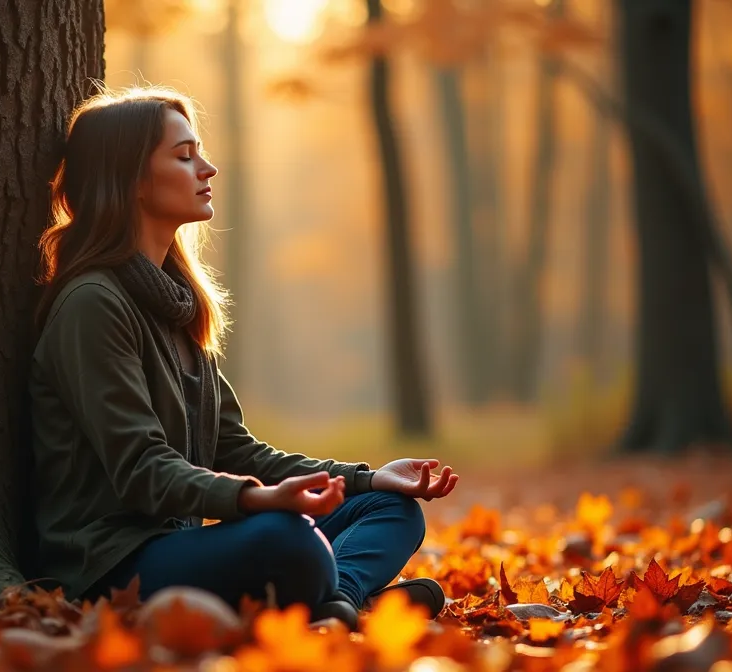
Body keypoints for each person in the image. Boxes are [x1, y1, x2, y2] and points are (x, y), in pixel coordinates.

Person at [29, 86, 460, 631]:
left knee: (392, 511)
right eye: (184, 156)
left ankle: (341, 602)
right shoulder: (92, 304)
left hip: (181, 545)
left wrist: (368, 480)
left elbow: (235, 449)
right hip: (111, 565)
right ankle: (347, 599)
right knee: (286, 539)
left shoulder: (177, 302)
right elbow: (140, 469)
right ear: (132, 180)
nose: (207, 168)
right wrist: (256, 501)